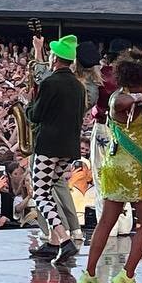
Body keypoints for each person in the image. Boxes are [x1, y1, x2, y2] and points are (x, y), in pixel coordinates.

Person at [80, 51, 142, 283]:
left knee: (106, 221)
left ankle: (90, 274)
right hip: (132, 169)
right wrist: (140, 98)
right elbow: (122, 105)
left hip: (114, 166)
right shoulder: (122, 99)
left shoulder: (119, 94)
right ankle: (126, 275)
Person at [25, 35, 87, 264]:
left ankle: (63, 238)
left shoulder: (51, 83)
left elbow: (36, 115)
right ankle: (52, 243)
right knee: (50, 189)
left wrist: (29, 104)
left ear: (55, 58)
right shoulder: (79, 87)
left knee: (40, 193)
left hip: (48, 145)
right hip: (68, 147)